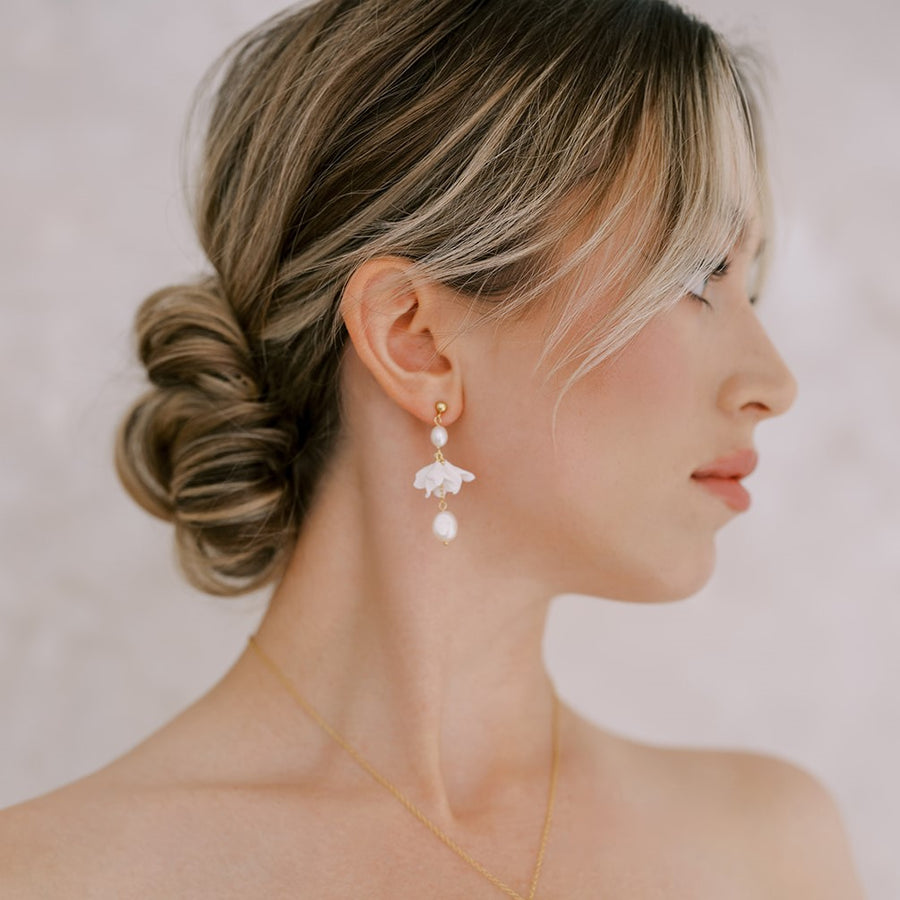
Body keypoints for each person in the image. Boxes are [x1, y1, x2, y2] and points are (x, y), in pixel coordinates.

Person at [0, 0, 866, 896]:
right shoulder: (50, 877)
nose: (773, 382)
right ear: (416, 338)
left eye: (748, 288)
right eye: (696, 275)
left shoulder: (769, 852)